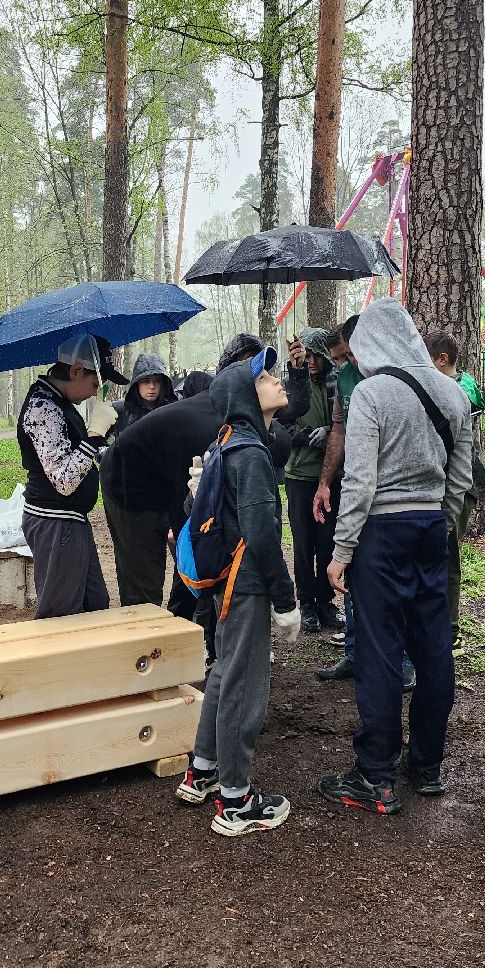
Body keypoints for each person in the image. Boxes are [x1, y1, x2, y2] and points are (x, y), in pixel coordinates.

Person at [318, 299, 473, 814]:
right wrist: (442, 521)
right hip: (431, 528)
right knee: (433, 648)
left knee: (380, 651)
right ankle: (427, 766)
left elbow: (359, 482)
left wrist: (341, 551)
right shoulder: (451, 391)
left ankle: (375, 775)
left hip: (380, 534)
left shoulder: (371, 393)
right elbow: (462, 474)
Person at [174, 346, 300, 836]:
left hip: (224, 579)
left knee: (225, 675)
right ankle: (238, 802)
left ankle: (201, 771)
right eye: (265, 376)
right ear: (246, 394)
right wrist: (286, 601)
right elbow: (263, 534)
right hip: (245, 586)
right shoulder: (249, 452)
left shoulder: (227, 441)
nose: (275, 379)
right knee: (244, 685)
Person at [99, 337, 292, 614]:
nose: (274, 381)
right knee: (146, 578)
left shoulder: (235, 426)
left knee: (193, 555)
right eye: (264, 378)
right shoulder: (214, 430)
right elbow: (192, 512)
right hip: (128, 479)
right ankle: (141, 638)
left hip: (169, 474)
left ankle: (188, 627)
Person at [310, 316, 416, 693]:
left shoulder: (396, 375)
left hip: (391, 494)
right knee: (350, 572)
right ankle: (355, 654)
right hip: (354, 486)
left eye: (352, 354)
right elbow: (338, 430)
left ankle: (403, 663)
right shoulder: (345, 378)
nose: (349, 362)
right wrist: (325, 482)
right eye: (341, 357)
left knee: (392, 582)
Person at [17, 332, 127, 619]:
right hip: (55, 521)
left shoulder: (60, 403)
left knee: (94, 603)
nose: (94, 392)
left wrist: (101, 445)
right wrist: (93, 436)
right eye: (94, 383)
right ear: (76, 371)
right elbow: (64, 480)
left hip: (71, 521)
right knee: (61, 615)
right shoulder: (43, 407)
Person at [423, 331, 485, 649]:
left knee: (447, 556)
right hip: (441, 480)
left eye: (428, 361)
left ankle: (449, 630)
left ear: (442, 360)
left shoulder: (463, 386)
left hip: (462, 483)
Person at [281, 328, 344, 635]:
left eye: (317, 355)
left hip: (330, 477)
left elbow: (344, 423)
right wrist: (308, 437)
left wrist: (329, 434)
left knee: (328, 542)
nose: (313, 362)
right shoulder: (290, 386)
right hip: (299, 475)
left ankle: (325, 601)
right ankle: (306, 603)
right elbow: (283, 425)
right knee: (304, 544)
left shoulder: (337, 384)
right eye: (308, 357)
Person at [108, 352, 177, 439]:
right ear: (137, 384)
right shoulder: (118, 410)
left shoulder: (172, 411)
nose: (152, 386)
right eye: (146, 381)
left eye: (157, 381)